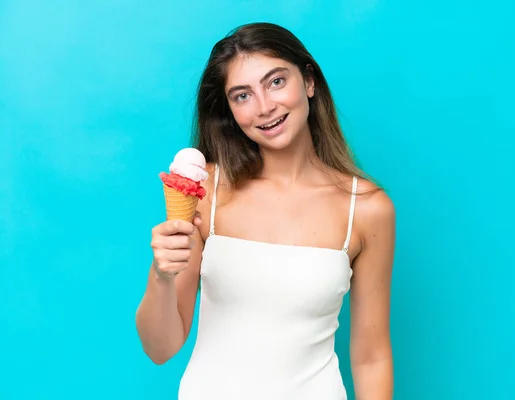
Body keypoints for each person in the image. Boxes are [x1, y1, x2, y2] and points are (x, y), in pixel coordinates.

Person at [135, 22, 396, 400]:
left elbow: (371, 357)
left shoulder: (368, 208)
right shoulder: (205, 191)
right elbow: (160, 349)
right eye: (242, 95)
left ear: (309, 82)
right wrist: (161, 274)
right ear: (229, 110)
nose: (264, 106)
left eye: (276, 82)